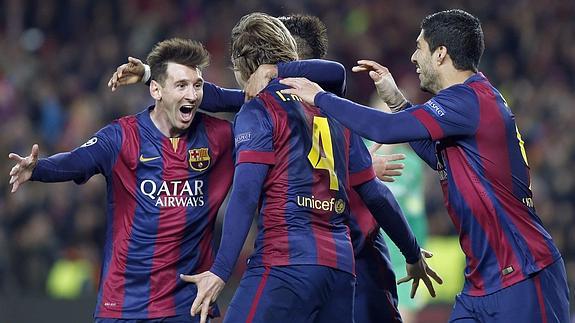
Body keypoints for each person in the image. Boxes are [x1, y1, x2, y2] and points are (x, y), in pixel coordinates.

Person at [107, 14, 437, 323]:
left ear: (245, 64)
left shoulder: (260, 110)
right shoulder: (337, 111)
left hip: (286, 261)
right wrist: (410, 252)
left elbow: (246, 193)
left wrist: (221, 271)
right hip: (342, 267)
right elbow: (376, 194)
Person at [280, 8, 570, 323]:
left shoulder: (468, 100)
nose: (414, 57)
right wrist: (397, 103)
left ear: (441, 53)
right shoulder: (470, 104)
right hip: (480, 282)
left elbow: (384, 130)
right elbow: (438, 157)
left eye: (420, 47)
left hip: (524, 272)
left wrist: (320, 97)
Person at [9, 38, 235, 322]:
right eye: (181, 85)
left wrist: (151, 74)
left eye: (197, 85)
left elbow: (252, 100)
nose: (192, 95)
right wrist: (38, 169)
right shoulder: (122, 137)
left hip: (185, 307)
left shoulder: (221, 137)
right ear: (156, 90)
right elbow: (77, 161)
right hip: (124, 306)